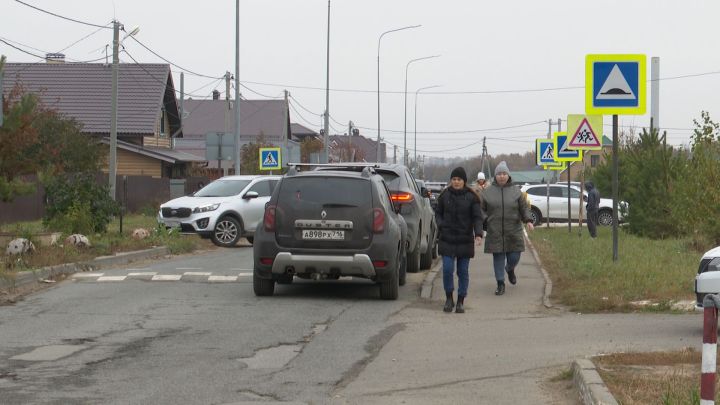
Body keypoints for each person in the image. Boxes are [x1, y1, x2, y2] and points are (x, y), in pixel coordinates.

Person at [435, 167, 486, 313]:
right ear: (451, 180)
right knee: (447, 269)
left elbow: (477, 218)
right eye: (454, 179)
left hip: (465, 240)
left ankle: (461, 300)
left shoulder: (472, 197)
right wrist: (441, 225)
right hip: (447, 239)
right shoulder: (445, 195)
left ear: (464, 181)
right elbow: (437, 213)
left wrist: (478, 234)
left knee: (463, 271)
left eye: (459, 179)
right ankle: (449, 298)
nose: (456, 182)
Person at [481, 161, 534, 296]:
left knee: (514, 256)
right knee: (498, 258)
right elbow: (481, 210)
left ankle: (510, 269)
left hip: (513, 230)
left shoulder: (516, 192)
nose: (502, 176)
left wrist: (528, 220)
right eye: (499, 174)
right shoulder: (487, 192)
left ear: (508, 175)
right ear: (495, 176)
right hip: (495, 230)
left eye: (504, 173)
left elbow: (524, 208)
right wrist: (485, 222)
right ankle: (500, 283)